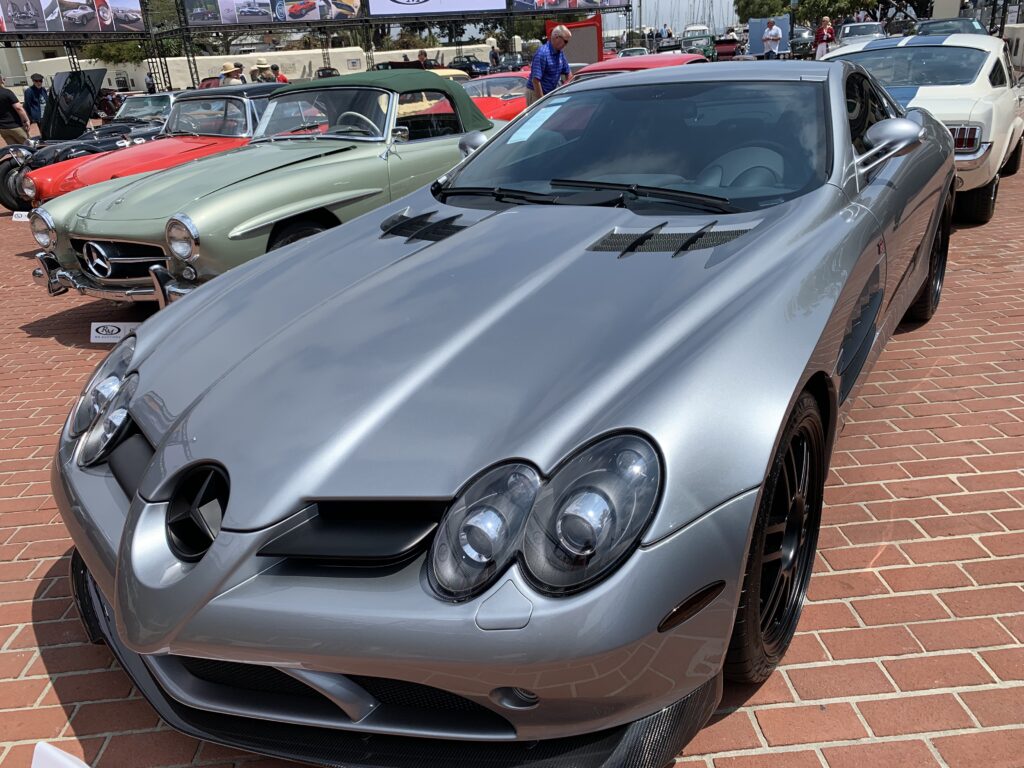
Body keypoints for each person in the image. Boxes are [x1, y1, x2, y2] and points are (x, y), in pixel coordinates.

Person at [528, 25, 572, 105]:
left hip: (550, 93)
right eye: (565, 41)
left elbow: (568, 72)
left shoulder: (560, 53)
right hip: (536, 93)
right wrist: (542, 102)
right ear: (556, 37)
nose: (566, 45)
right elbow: (535, 80)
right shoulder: (542, 53)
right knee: (539, 117)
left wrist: (569, 91)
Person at [0, 75, 31, 145]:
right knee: (29, 146)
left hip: (3, 128)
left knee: (16, 149)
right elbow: (18, 108)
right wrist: (26, 120)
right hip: (15, 125)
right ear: (1, 80)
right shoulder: (7, 92)